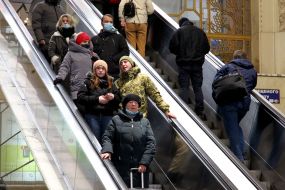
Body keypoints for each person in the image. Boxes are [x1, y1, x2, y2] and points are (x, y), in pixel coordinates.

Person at [100, 94, 156, 188]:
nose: (133, 104)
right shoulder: (116, 120)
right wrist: (107, 150)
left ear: (139, 106)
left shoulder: (145, 121)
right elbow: (107, 137)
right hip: (120, 166)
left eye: (135, 103)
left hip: (140, 167)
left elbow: (151, 143)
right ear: (125, 105)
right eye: (130, 102)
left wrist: (144, 162)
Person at [213, 50, 257, 161]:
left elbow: (215, 82)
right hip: (244, 103)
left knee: (232, 129)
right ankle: (242, 151)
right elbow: (253, 85)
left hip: (230, 102)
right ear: (245, 58)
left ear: (234, 57)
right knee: (235, 126)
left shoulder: (228, 67)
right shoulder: (252, 71)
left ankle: (238, 158)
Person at [169, 17, 210, 120]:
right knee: (197, 87)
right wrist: (199, 56)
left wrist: (180, 54)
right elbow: (207, 48)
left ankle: (184, 109)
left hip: (183, 64)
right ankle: (200, 110)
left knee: (184, 87)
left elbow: (172, 47)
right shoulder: (200, 32)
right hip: (197, 65)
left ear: (181, 24)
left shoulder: (179, 32)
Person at [77, 60, 121, 143]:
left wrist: (113, 97)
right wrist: (97, 99)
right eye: (98, 68)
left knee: (107, 140)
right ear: (94, 70)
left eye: (103, 68)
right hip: (92, 116)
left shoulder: (111, 82)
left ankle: (106, 156)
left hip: (107, 115)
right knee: (94, 140)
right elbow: (80, 97)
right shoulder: (88, 82)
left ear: (106, 70)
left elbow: (119, 98)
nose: (100, 70)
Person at [53, 32, 94, 102]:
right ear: (79, 42)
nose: (87, 43)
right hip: (76, 87)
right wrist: (60, 77)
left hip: (90, 88)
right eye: (84, 41)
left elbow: (99, 68)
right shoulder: (70, 54)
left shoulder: (91, 54)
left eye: (88, 41)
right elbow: (65, 66)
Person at [91, 14, 129, 79]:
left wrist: (114, 59)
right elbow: (90, 54)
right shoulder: (95, 39)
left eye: (111, 22)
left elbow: (126, 51)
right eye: (106, 21)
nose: (109, 23)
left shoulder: (119, 37)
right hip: (99, 73)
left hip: (114, 73)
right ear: (101, 23)